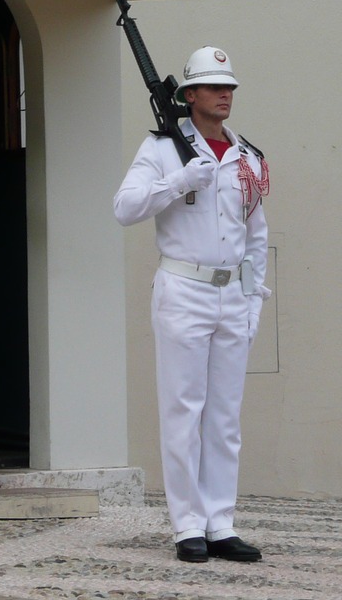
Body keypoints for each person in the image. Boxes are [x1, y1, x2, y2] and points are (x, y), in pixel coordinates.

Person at [113, 45, 271, 563]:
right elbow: (125, 208)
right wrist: (180, 179)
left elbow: (255, 234)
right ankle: (187, 526)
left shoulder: (247, 156)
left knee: (224, 416)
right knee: (183, 410)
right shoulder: (162, 148)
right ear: (189, 96)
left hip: (232, 292)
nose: (225, 95)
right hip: (184, 289)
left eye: (229, 87)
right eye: (213, 87)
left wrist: (252, 301)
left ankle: (220, 522)